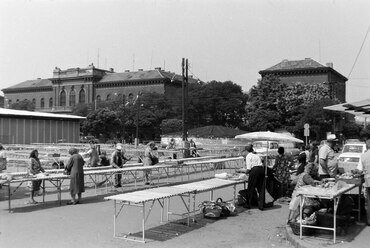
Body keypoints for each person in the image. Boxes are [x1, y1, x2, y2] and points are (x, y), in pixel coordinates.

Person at [243, 145, 265, 210]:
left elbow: (249, 168)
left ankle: (248, 204)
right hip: (261, 170)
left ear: (246, 151)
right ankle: (261, 205)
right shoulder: (256, 155)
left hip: (254, 170)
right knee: (261, 188)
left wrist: (245, 172)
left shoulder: (248, 156)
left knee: (251, 187)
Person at [357, 139, 370, 225]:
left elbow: (359, 170)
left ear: (366, 146)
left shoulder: (364, 156)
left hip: (368, 181)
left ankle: (369, 221)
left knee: (368, 202)